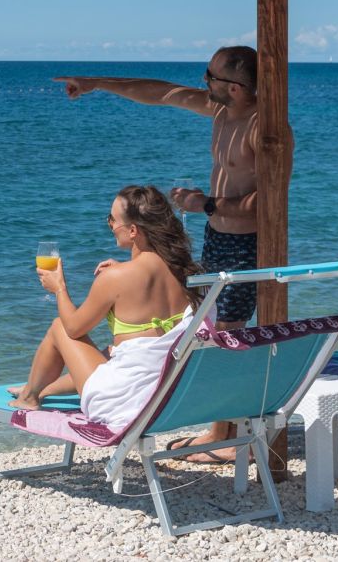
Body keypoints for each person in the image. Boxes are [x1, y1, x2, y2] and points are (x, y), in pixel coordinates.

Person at [54, 45, 259, 461]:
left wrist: (206, 204)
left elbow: (271, 201)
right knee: (205, 331)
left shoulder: (263, 129)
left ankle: (226, 442)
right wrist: (98, 85)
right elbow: (162, 92)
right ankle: (217, 432)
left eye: (211, 76)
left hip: (247, 241)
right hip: (218, 234)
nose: (204, 82)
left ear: (236, 87)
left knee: (224, 335)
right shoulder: (221, 111)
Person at [8, 185, 206, 425]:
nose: (110, 225)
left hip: (122, 403)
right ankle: (38, 389)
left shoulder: (115, 278)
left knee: (59, 326)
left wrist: (59, 288)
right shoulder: (186, 272)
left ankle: (29, 397)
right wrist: (122, 270)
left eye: (112, 219)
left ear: (133, 230)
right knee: (110, 353)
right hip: (165, 395)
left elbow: (73, 329)